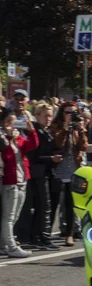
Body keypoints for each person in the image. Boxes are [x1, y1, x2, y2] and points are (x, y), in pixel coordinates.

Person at [0, 107, 39, 257]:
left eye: (14, 122)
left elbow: (32, 145)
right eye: (8, 122)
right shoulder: (3, 137)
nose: (11, 125)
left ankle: (4, 243)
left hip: (22, 178)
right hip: (10, 180)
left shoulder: (17, 136)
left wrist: (31, 131)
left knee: (15, 215)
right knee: (8, 216)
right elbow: (7, 156)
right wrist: (9, 137)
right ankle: (10, 246)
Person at [50, 102, 88, 247]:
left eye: (73, 112)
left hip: (74, 168)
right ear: (62, 113)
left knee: (70, 202)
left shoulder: (77, 127)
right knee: (54, 203)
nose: (70, 115)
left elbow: (83, 146)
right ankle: (45, 233)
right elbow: (58, 143)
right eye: (67, 112)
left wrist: (82, 129)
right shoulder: (56, 125)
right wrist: (66, 128)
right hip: (59, 168)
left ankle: (69, 234)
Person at [29, 103, 61, 249]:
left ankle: (40, 236)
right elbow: (34, 156)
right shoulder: (35, 131)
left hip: (47, 172)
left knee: (46, 205)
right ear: (37, 116)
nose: (49, 118)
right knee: (44, 205)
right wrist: (51, 158)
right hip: (38, 172)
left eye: (50, 115)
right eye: (45, 115)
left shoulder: (46, 131)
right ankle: (42, 237)